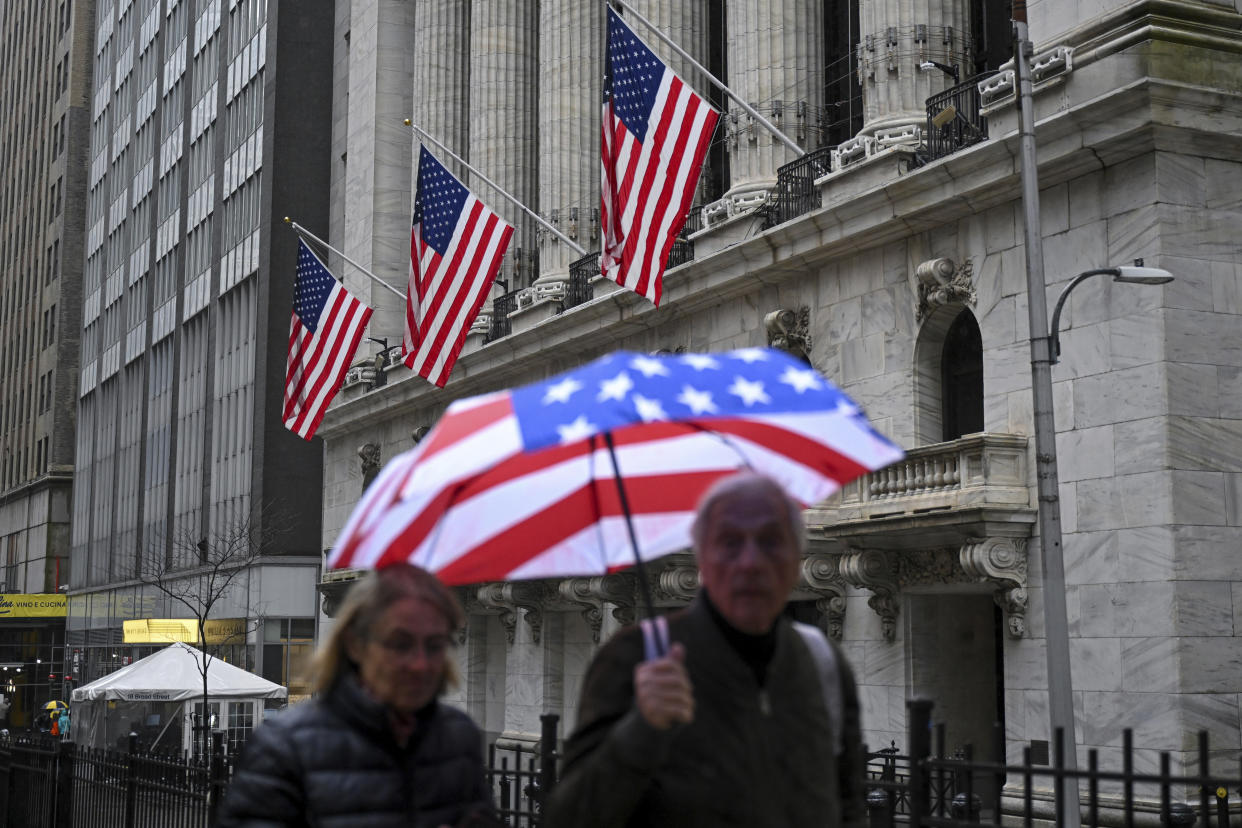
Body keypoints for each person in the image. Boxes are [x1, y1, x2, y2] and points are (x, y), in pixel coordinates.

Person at [545, 472, 865, 828]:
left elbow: (849, 803)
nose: (750, 563)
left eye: (771, 541)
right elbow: (567, 817)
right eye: (729, 542)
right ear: (702, 559)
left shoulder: (824, 661)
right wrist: (640, 731)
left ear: (797, 558)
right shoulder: (636, 656)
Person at [217, 564, 496, 828]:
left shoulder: (458, 736)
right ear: (355, 644)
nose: (420, 664)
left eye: (434, 646)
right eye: (400, 644)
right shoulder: (284, 747)